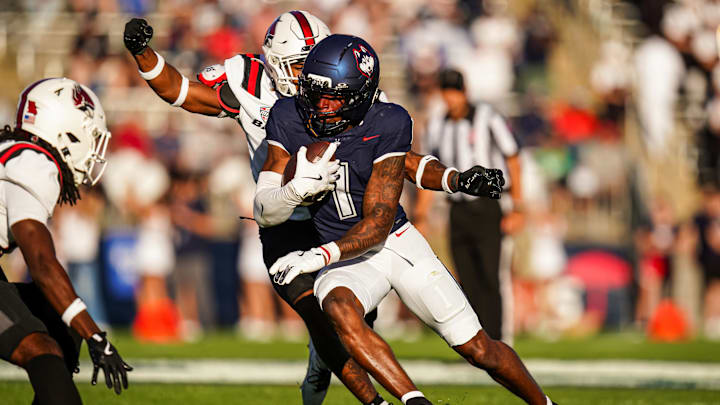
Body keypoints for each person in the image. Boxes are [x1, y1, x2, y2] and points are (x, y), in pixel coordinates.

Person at [124, 13, 493, 405]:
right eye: (301, 65)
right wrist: (143, 52)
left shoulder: (342, 86)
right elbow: (180, 91)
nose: (312, 74)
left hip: (336, 221)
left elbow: (396, 156)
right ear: (276, 64)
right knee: (320, 320)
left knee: (352, 321)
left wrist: (452, 177)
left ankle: (325, 361)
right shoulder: (249, 81)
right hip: (284, 221)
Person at [257, 34, 556, 405]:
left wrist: (318, 256)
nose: (322, 105)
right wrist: (290, 193)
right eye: (316, 92)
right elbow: (264, 207)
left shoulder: (388, 120)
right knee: (335, 306)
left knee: (478, 349)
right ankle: (414, 402)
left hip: (394, 245)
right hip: (346, 258)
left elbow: (381, 217)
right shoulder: (289, 115)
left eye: (335, 96)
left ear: (360, 95)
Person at [0, 78, 132, 404]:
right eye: (90, 134)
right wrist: (96, 334)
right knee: (41, 344)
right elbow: (41, 263)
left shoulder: (17, 153)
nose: (92, 147)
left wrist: (80, 323)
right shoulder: (33, 162)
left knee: (60, 323)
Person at [414, 68, 525, 341]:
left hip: (488, 205)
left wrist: (518, 206)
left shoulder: (487, 118)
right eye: (447, 92)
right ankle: (478, 341)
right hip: (458, 209)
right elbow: (430, 171)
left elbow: (512, 158)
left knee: (490, 274)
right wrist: (421, 214)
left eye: (456, 92)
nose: (452, 99)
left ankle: (498, 340)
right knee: (466, 277)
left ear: (465, 92)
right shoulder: (437, 126)